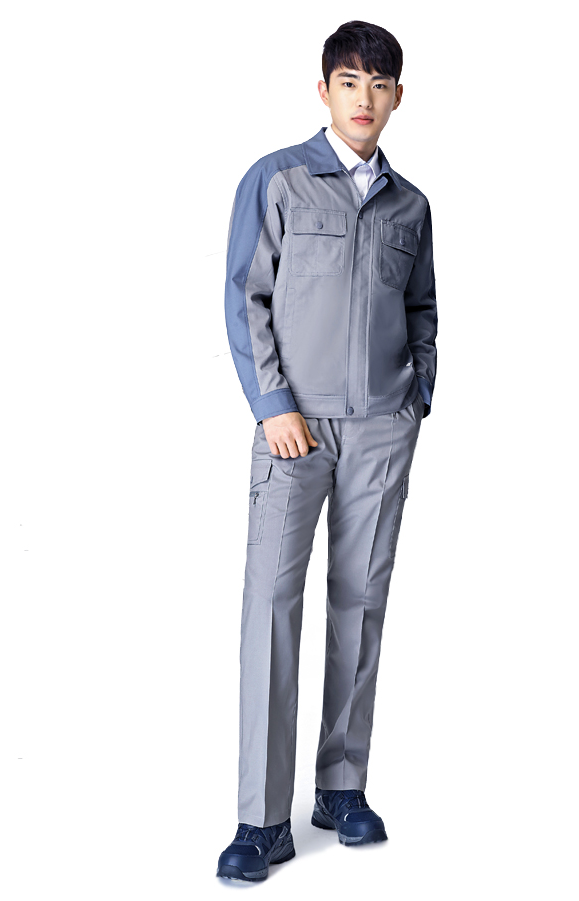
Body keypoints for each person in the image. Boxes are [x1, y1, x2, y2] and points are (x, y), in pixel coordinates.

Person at [216, 19, 438, 882]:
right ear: (324, 90)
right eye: (350, 82)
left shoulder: (410, 205)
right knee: (271, 604)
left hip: (381, 428)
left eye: (380, 85)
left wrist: (415, 397)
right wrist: (273, 403)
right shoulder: (277, 180)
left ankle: (341, 786)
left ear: (398, 97)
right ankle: (262, 817)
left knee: (360, 599)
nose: (365, 99)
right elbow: (246, 297)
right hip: (294, 429)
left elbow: (422, 309)